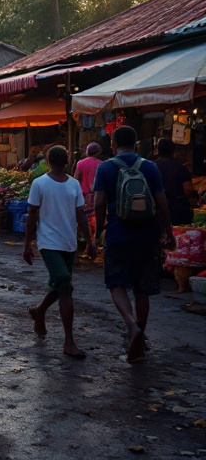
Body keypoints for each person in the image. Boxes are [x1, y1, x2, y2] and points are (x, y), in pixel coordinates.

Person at [93, 126, 175, 363]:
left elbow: (99, 202)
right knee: (143, 288)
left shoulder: (105, 167)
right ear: (137, 142)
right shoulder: (150, 167)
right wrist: (168, 231)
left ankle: (132, 326)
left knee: (116, 283)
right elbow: (162, 201)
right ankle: (141, 334)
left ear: (113, 144)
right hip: (148, 237)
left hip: (118, 235)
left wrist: (99, 228)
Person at [23, 145, 97, 358]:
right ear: (67, 161)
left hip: (69, 244)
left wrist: (89, 242)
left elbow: (80, 214)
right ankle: (69, 341)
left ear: (48, 160)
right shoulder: (40, 183)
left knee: (60, 284)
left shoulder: (73, 185)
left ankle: (39, 311)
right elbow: (33, 215)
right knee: (65, 285)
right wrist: (28, 244)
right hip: (49, 243)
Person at [155, 138, 195, 226]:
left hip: (158, 208)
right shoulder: (181, 168)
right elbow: (188, 190)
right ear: (173, 151)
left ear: (158, 151)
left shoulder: (152, 167)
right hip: (178, 209)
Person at [74, 143, 103, 240]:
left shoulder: (80, 163)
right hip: (97, 196)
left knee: (83, 218)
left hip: (83, 196)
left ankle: (84, 240)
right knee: (95, 218)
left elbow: (76, 179)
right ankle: (95, 240)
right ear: (98, 152)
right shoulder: (101, 164)